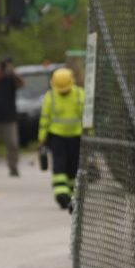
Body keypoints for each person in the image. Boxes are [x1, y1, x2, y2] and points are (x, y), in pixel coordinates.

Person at [38, 66, 85, 210]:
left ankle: (62, 195)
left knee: (60, 167)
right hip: (76, 138)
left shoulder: (50, 97)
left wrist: (41, 140)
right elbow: (87, 118)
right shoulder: (80, 94)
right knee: (74, 167)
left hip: (57, 138)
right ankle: (72, 195)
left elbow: (44, 120)